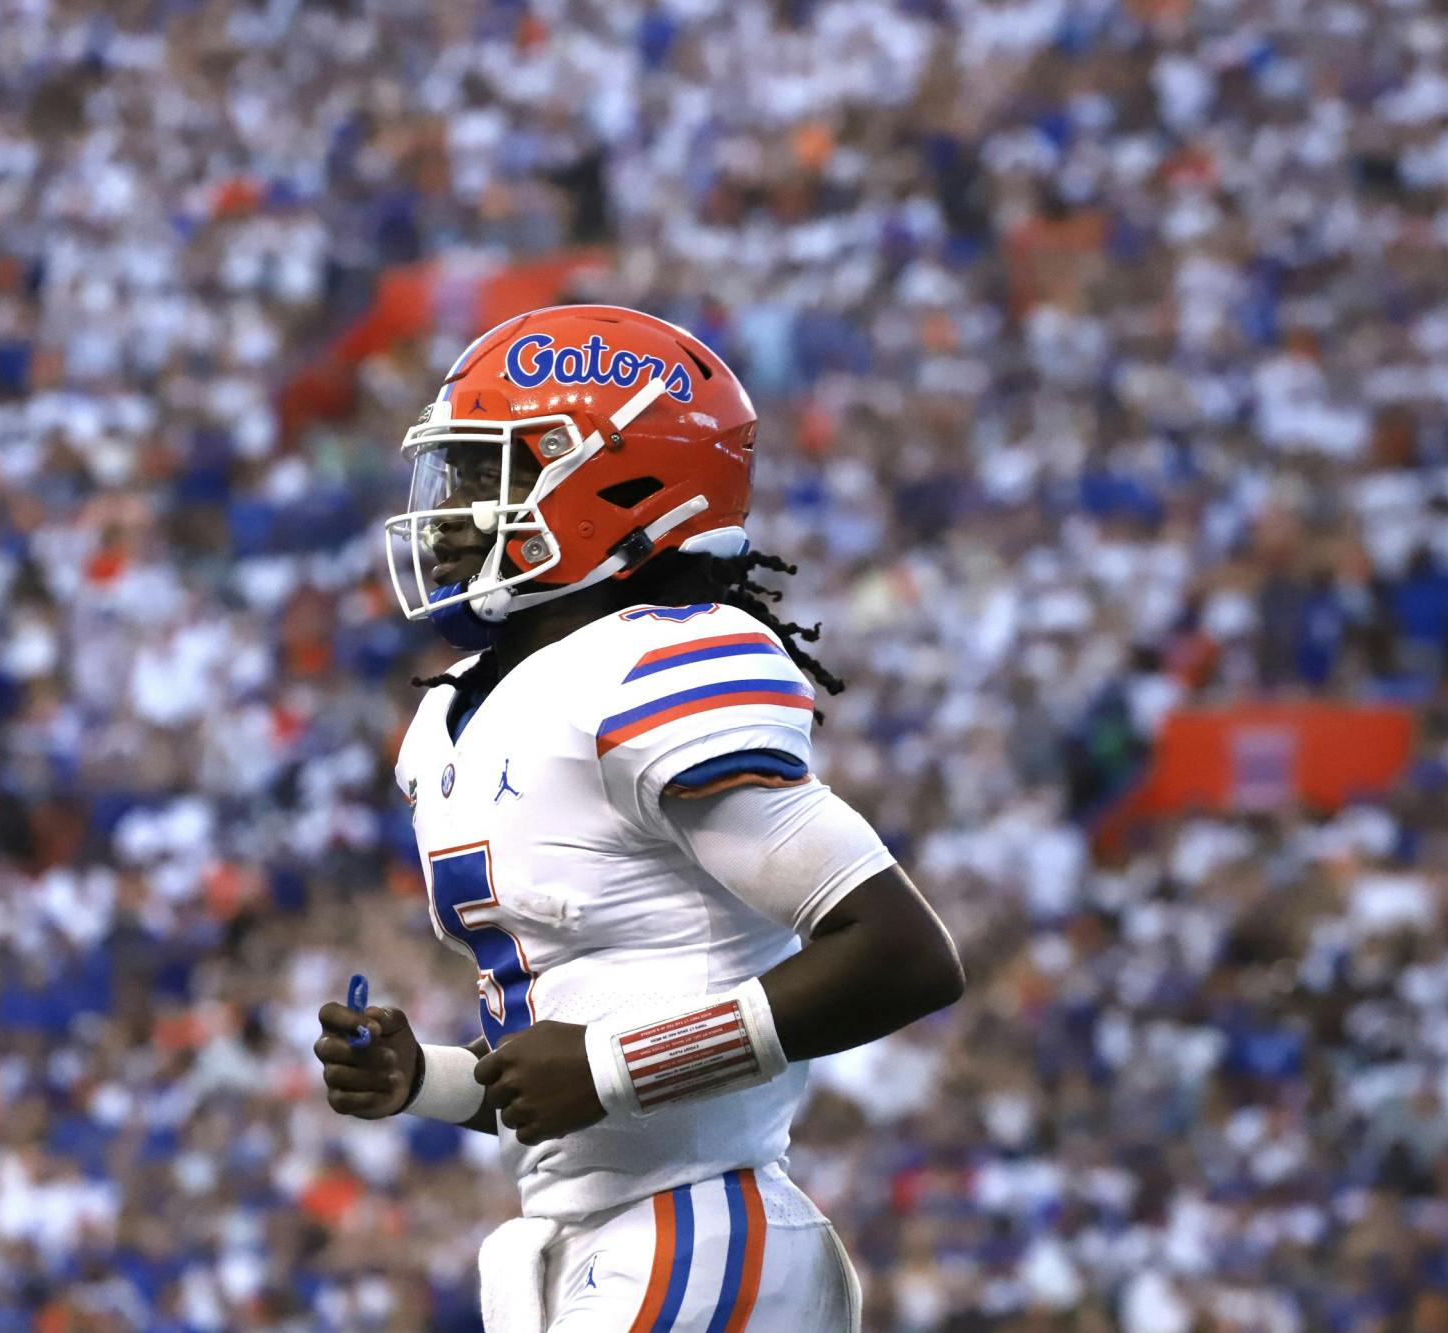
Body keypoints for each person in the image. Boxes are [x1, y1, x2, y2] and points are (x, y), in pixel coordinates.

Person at [314, 305, 965, 1330]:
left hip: (694, 1223)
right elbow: (564, 1063)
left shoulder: (653, 663)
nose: (450, 511)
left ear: (613, 483)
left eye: (492, 474)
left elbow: (899, 953)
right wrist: (426, 1080)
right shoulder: (452, 721)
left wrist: (614, 1068)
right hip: (588, 1240)